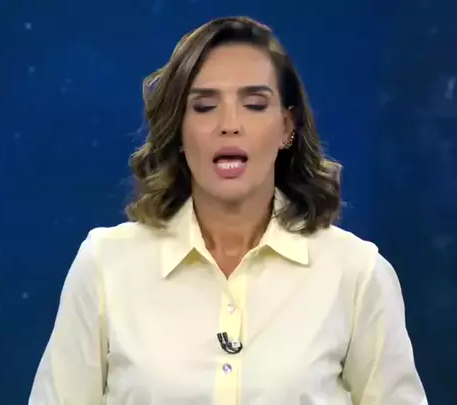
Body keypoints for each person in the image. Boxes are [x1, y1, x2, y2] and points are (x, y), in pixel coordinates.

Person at [28, 16, 428, 405]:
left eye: (254, 104)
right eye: (204, 107)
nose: (229, 124)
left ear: (287, 127)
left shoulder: (356, 274)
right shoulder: (106, 266)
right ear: (178, 130)